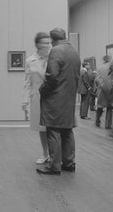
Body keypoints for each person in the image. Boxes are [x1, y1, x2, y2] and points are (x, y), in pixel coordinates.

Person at [37, 27, 80, 175]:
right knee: (67, 130)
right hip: (69, 97)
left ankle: (54, 166)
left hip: (55, 98)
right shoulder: (74, 51)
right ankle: (69, 163)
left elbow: (51, 76)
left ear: (53, 39)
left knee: (53, 130)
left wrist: (42, 89)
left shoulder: (56, 51)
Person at [22, 32, 51, 165]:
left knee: (53, 127)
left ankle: (55, 154)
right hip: (37, 97)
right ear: (37, 44)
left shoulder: (54, 58)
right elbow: (27, 81)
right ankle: (45, 153)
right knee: (42, 128)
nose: (47, 45)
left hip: (52, 97)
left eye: (48, 42)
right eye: (44, 42)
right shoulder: (30, 60)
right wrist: (24, 100)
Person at [94, 55, 113, 129]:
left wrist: (102, 85)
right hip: (111, 89)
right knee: (110, 107)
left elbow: (97, 79)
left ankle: (97, 120)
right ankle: (108, 125)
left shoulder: (99, 68)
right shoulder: (112, 67)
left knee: (100, 107)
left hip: (102, 89)